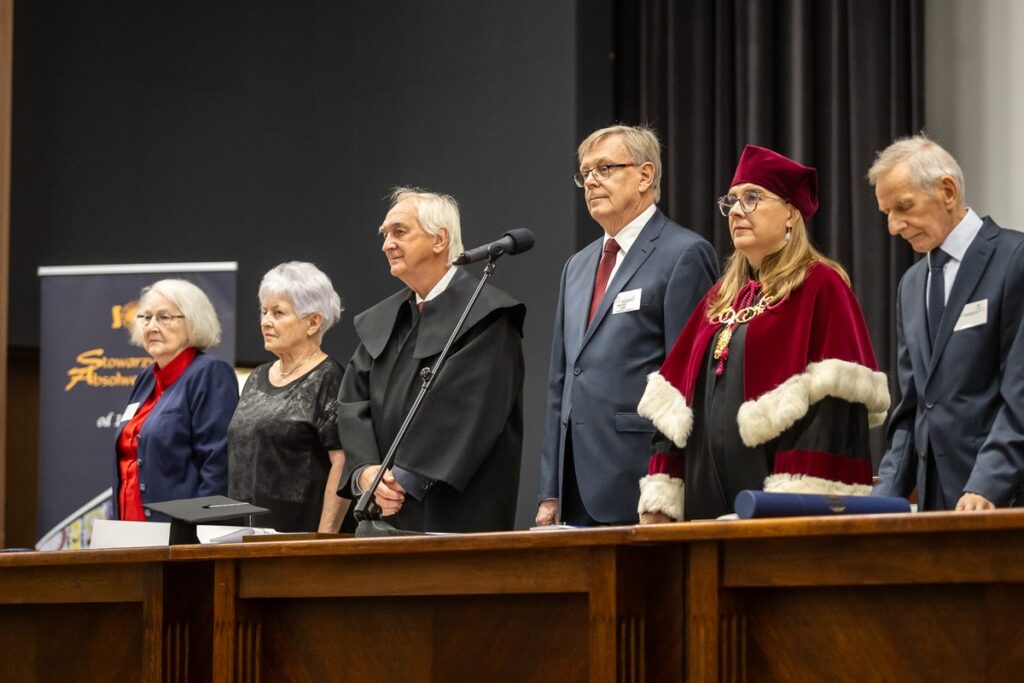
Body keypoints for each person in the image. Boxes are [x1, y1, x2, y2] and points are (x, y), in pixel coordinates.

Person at [636, 145, 889, 522]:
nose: (736, 210)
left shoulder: (821, 286)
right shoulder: (721, 297)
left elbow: (832, 413)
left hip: (774, 505)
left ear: (790, 213)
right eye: (732, 200)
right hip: (706, 505)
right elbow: (674, 404)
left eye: (752, 198)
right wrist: (662, 495)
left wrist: (791, 503)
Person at [536, 125, 719, 526]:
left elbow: (688, 383)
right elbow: (562, 380)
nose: (591, 182)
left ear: (645, 175)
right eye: (585, 173)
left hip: (640, 482)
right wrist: (550, 489)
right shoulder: (577, 266)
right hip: (574, 485)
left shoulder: (684, 253)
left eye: (605, 168)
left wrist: (667, 484)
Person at [336, 187, 526, 533]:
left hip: (451, 517)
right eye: (385, 235)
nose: (386, 244)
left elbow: (469, 410)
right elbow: (352, 403)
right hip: (379, 514)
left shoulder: (488, 317)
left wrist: (400, 481)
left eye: (399, 232)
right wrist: (366, 473)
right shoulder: (384, 320)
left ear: (440, 240)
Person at [870, 134, 1024, 510]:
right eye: (887, 213)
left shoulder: (1014, 260)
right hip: (935, 504)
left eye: (903, 207)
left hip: (1000, 500)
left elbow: (1020, 395)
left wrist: (987, 484)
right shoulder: (910, 285)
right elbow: (913, 409)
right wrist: (879, 502)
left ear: (948, 191)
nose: (893, 226)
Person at [228, 262, 350, 532]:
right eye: (263, 311)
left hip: (297, 538)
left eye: (278, 312)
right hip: (243, 533)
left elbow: (343, 463)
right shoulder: (257, 377)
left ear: (313, 322)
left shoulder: (328, 377)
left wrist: (324, 540)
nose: (265, 322)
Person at [114, 279, 238, 521]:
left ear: (193, 320)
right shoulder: (146, 378)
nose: (151, 326)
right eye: (146, 317)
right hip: (130, 527)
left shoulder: (209, 373)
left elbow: (219, 463)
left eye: (164, 317)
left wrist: (198, 532)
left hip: (181, 534)